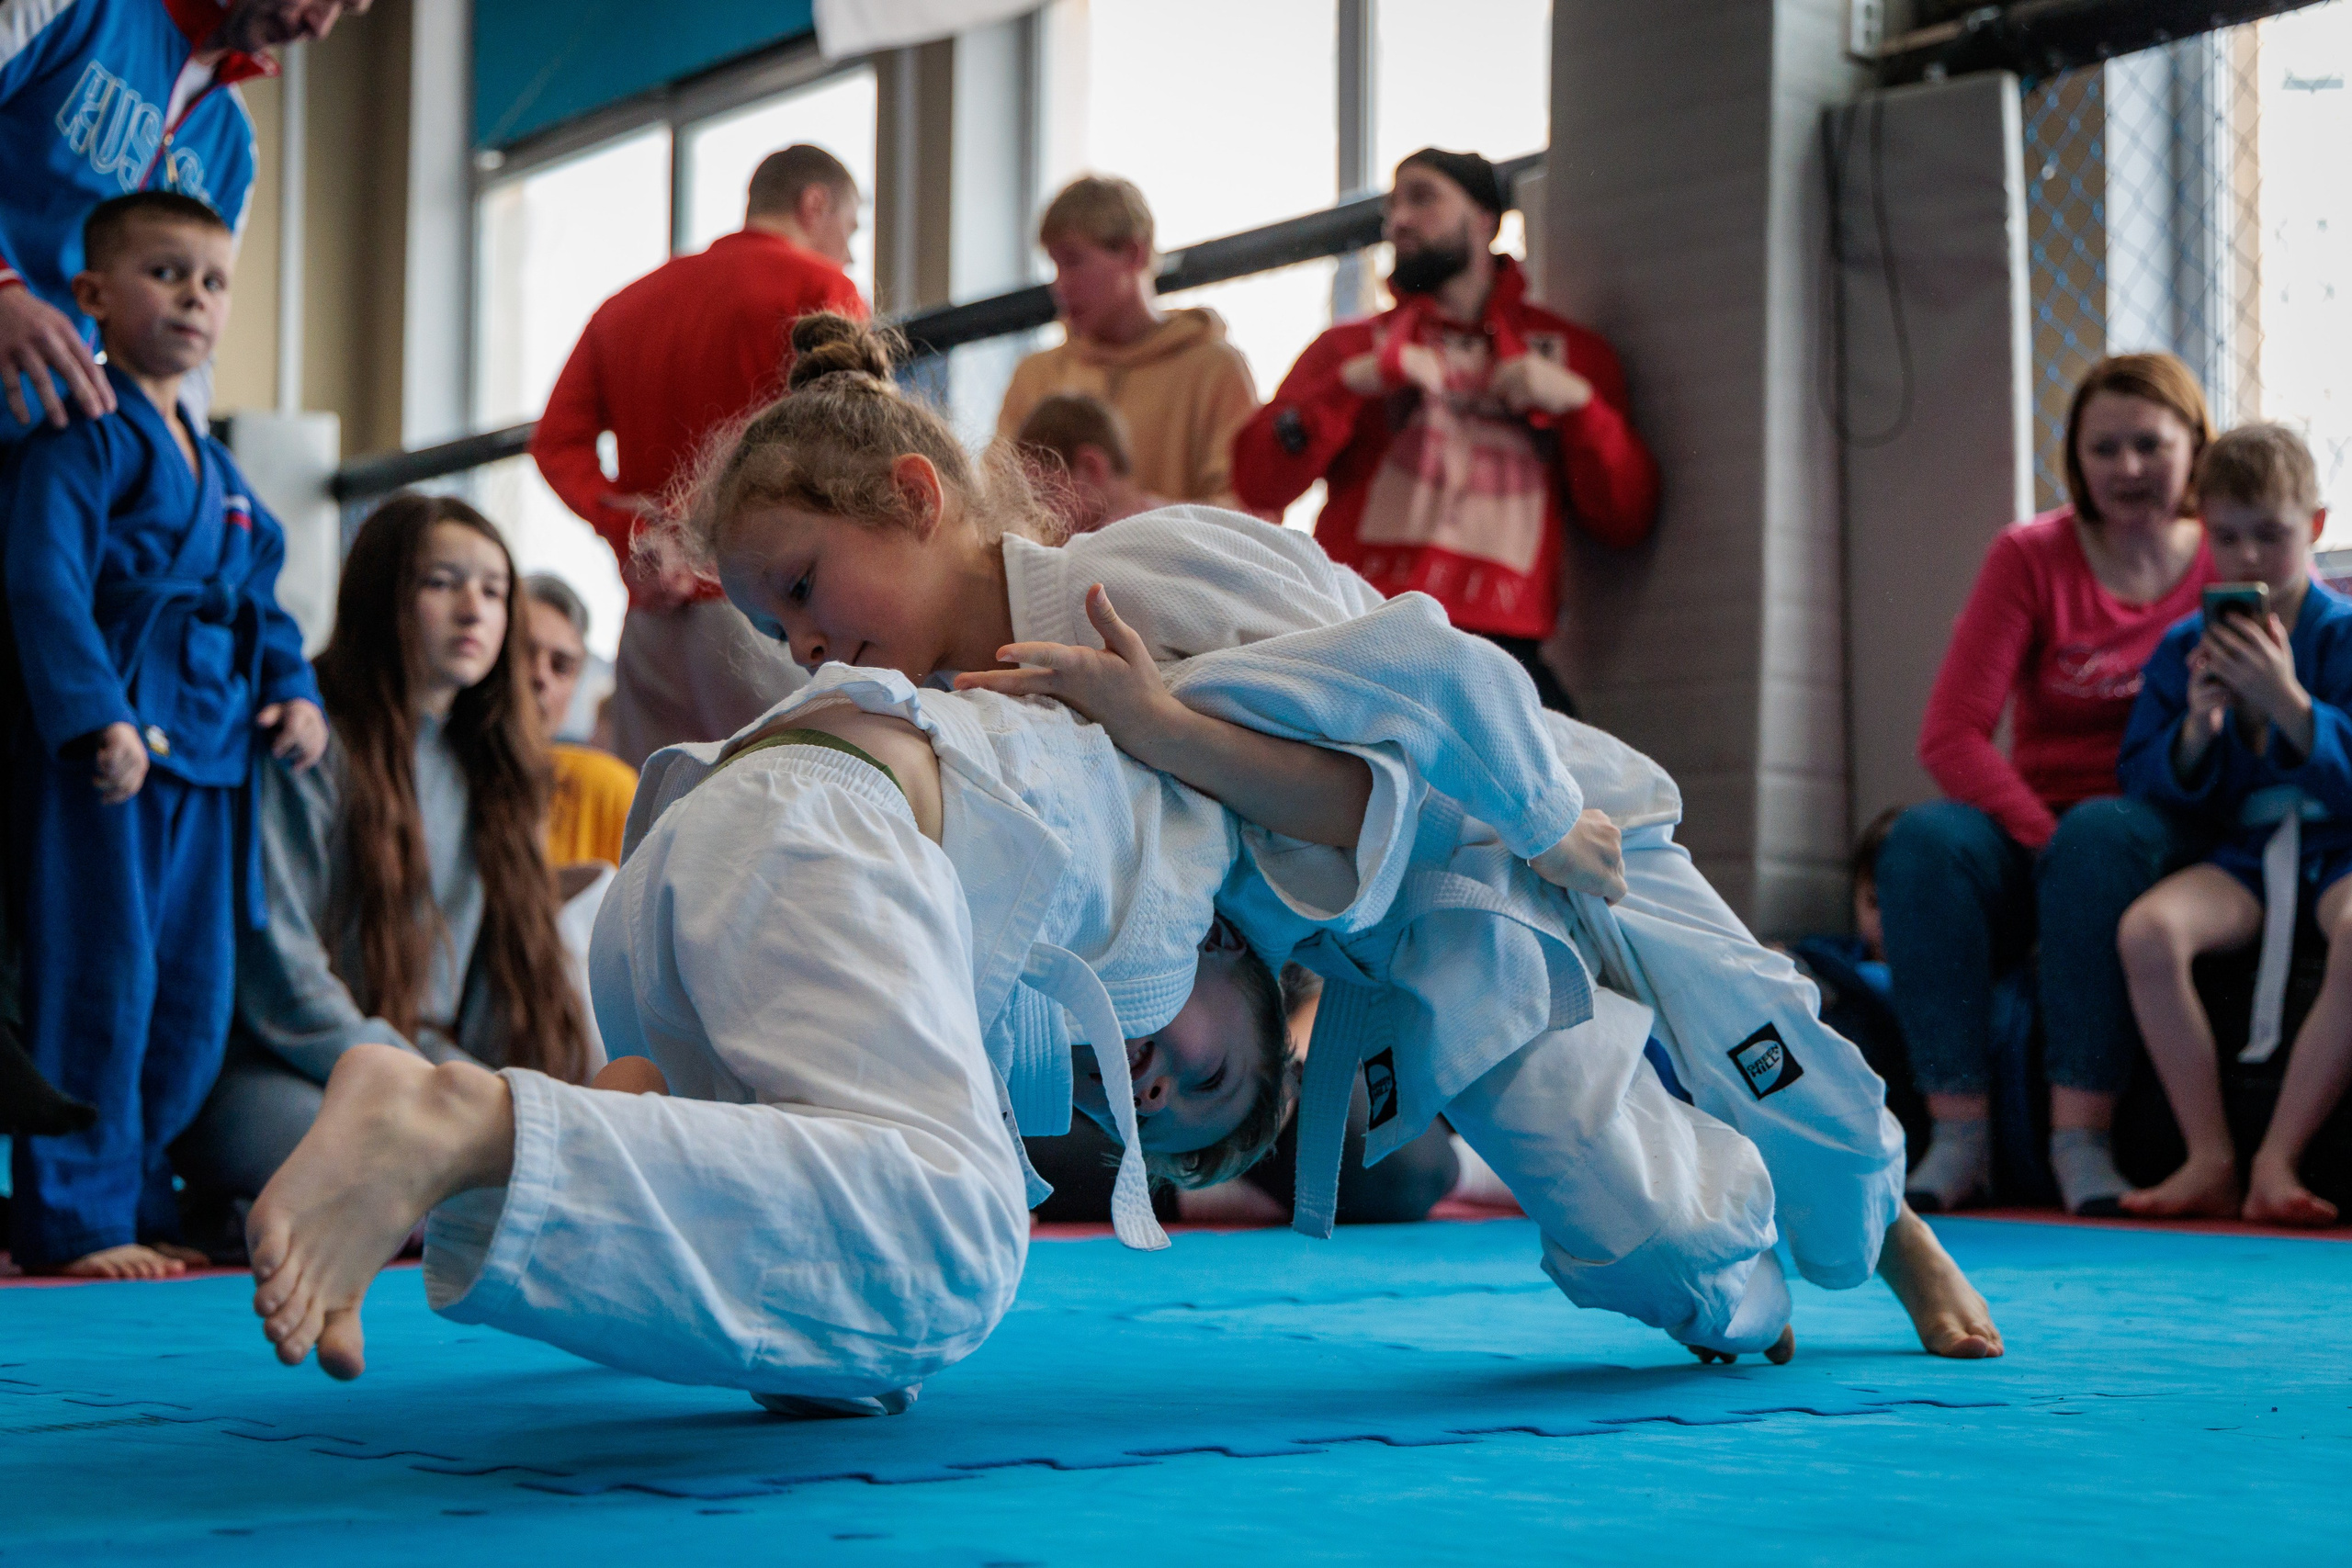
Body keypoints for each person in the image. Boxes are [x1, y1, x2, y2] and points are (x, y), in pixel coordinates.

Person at [685, 314, 1992, 1359]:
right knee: (1647, 1240)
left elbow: (1421, 680)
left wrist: (1531, 811)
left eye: (802, 585)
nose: (800, 642)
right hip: (1412, 944)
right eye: (771, 627)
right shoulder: (979, 727)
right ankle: (1749, 1293)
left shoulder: (1131, 575)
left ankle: (1889, 1228)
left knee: (1762, 1044)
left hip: (1531, 806)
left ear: (916, 497)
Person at [1, 0, 368, 1179]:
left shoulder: (235, 145)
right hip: (48, 506)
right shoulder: (75, 8)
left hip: (99, 544)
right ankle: (74, 1203)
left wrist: (277, 672)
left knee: (150, 956)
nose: (329, 18)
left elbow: (199, 426)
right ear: (107, 292)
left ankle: (115, 1184)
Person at [6, 192, 326, 1278]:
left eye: (215, 280)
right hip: (112, 761)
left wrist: (293, 690)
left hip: (211, 760)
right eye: (166, 272)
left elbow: (261, 598)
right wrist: (93, 713)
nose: (195, 296)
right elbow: (43, 583)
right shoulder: (79, 439)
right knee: (101, 978)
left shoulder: (223, 474)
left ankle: (141, 1198)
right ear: (92, 294)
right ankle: (76, 1217)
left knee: (190, 993)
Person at [174, 493, 594, 1215]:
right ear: (381, 595)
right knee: (401, 1179)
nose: (473, 609)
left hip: (417, 1069)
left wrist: (490, 1092)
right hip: (280, 1067)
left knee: (538, 1169)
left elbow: (491, 993)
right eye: (441, 582)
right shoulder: (308, 739)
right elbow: (278, 971)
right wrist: (425, 1084)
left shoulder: (494, 772)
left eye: (494, 590)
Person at [1879, 354, 2219, 1218]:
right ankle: (1958, 1134)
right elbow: (1950, 734)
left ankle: (2082, 1140)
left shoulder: (2226, 561)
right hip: (2040, 823)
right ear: (2076, 458)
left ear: (2194, 448)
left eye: (2151, 444)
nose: (2130, 467)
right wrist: (2038, 836)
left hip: (2157, 821)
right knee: (1923, 840)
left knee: (2103, 836)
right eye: (2106, 448)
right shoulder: (2031, 555)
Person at [1230, 149, 1660, 714]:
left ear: (1486, 219)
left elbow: (1627, 519)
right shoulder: (1350, 349)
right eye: (1392, 205)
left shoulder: (1573, 356)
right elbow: (1258, 482)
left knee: (1586, 797)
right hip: (1360, 633)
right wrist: (1352, 384)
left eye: (1423, 197)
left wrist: (1580, 406)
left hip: (1504, 654)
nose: (1399, 219)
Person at [529, 142, 867, 767]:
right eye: (849, 230)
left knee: (659, 838)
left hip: (654, 621)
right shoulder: (821, 288)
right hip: (773, 614)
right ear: (813, 204)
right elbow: (851, 439)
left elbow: (555, 444)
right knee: (798, 817)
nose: (850, 252)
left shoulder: (624, 308)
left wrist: (634, 528)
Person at [2116, 423, 2350, 1225]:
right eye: (2228, 537)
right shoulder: (2186, 647)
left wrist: (2293, 707)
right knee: (2149, 931)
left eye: (2271, 536)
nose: (2248, 558)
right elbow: (2144, 778)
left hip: (2338, 849)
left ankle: (2277, 1158)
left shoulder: (2345, 635)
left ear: (2315, 527)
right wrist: (2196, 729)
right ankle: (2209, 1154)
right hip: (2246, 854)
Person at [994, 175, 1261, 513]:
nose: (1059, 285)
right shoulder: (1036, 374)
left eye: (1074, 261)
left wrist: (1141, 517)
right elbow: (997, 500)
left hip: (1173, 565)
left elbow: (1253, 512)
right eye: (1054, 265)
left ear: (1134, 253)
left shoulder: (1215, 369)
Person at [522, 573, 635, 867]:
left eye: (560, 666)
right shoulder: (427, 776)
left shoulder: (610, 793)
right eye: (521, 653)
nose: (539, 675)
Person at [1013, 392, 1170, 536]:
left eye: (1046, 491)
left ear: (1092, 467)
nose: (1037, 512)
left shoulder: (1113, 542)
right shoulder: (1176, 514)